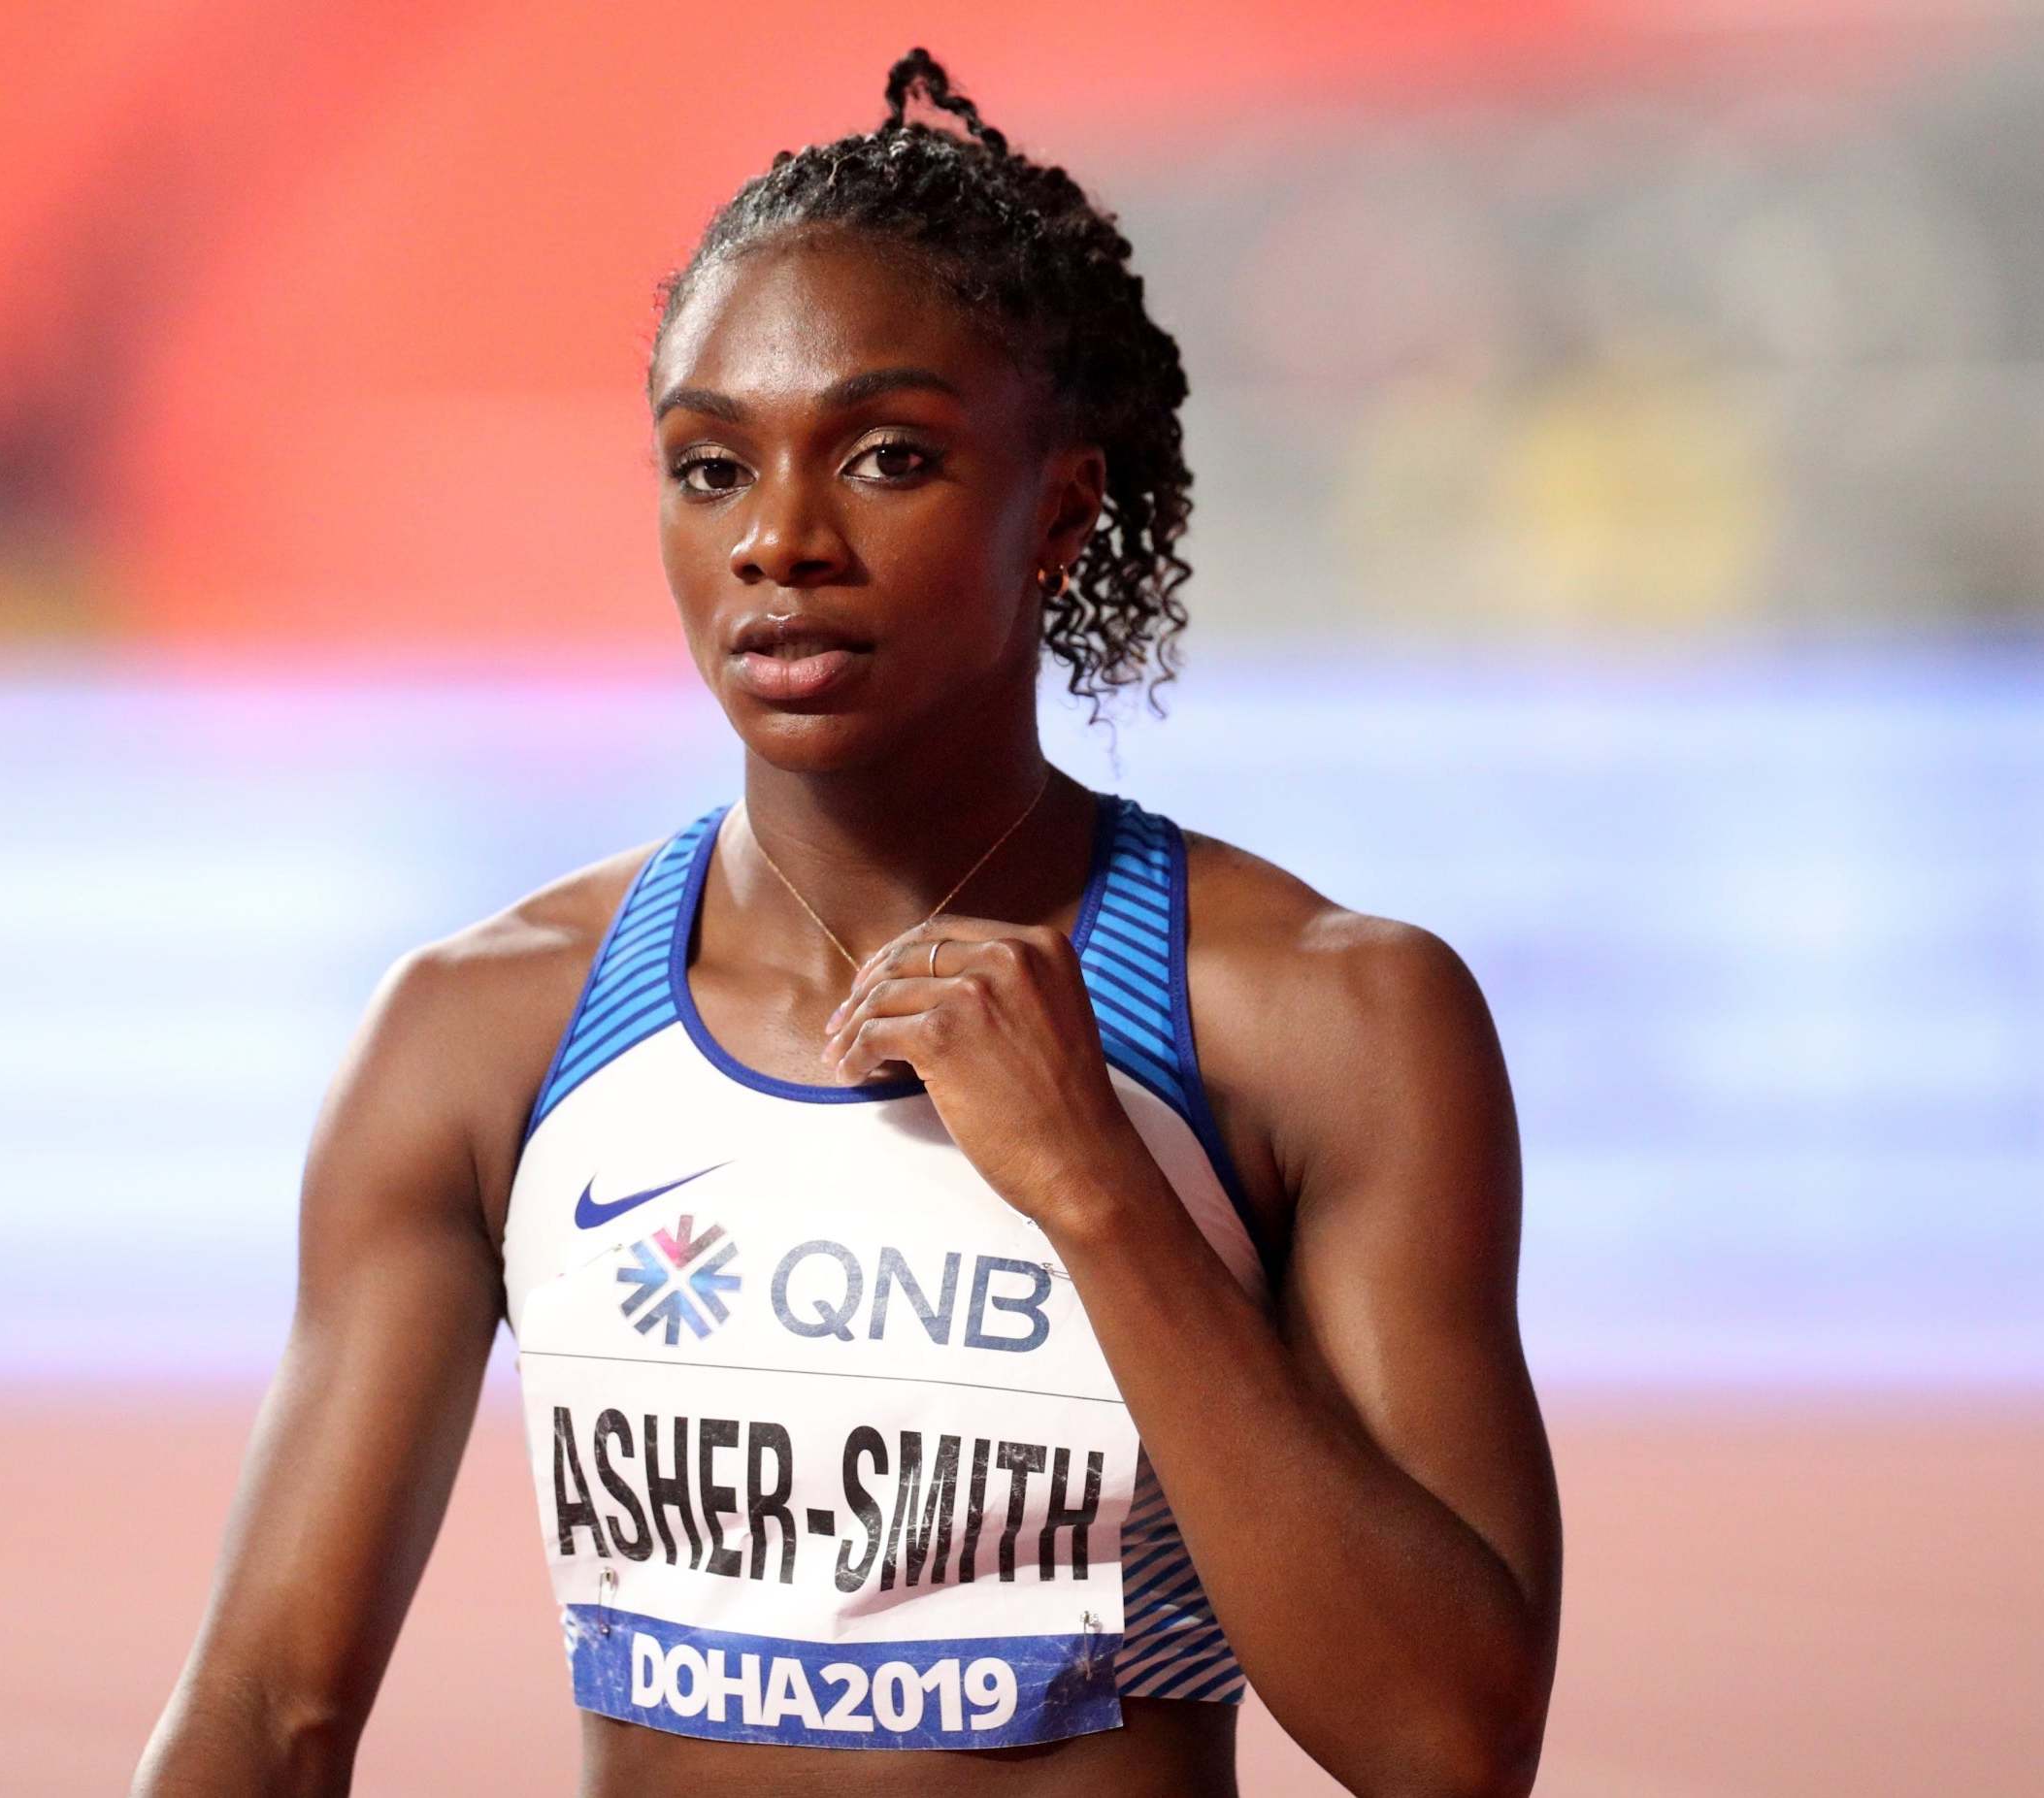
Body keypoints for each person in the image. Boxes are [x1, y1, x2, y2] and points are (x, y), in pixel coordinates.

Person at [132, 47, 1562, 1798]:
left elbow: (1452, 1742)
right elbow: (266, 1712)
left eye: (886, 456)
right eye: (710, 467)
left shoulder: (1323, 1020)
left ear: (1059, 513)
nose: (780, 542)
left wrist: (1100, 1188)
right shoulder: (484, 1033)